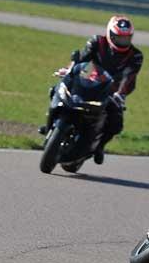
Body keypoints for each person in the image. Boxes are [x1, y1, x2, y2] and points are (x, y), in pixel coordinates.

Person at [48, 15, 143, 164]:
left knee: (116, 122)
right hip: (93, 81)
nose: (122, 42)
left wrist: (120, 94)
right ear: (110, 33)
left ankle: (99, 146)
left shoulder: (136, 55)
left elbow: (130, 76)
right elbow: (81, 60)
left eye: (126, 38)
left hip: (114, 90)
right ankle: (52, 121)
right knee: (57, 89)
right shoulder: (96, 42)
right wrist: (68, 70)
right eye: (118, 38)